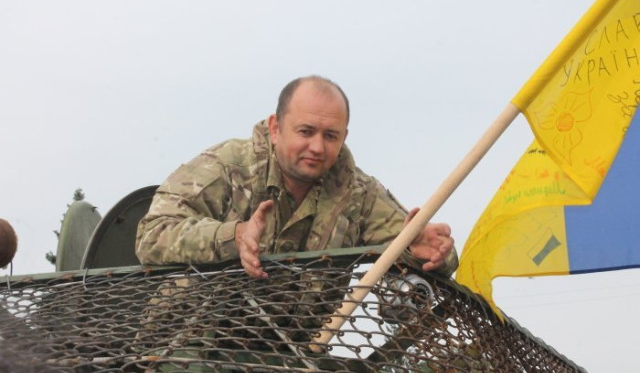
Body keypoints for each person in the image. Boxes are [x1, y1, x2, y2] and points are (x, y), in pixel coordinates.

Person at [136, 75, 457, 278]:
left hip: (298, 354)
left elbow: (433, 253)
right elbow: (151, 235)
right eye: (305, 131)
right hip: (186, 344)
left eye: (330, 136)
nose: (317, 147)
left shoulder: (359, 194)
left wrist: (427, 251)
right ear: (275, 128)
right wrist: (235, 236)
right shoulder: (226, 166)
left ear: (344, 137)